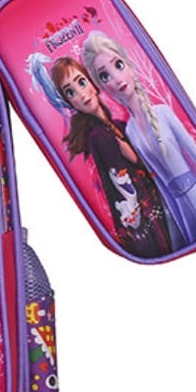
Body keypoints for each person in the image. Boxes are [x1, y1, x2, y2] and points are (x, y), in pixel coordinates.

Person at [82, 32, 196, 249]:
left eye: (119, 65)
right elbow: (161, 186)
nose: (117, 79)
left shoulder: (163, 113)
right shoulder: (130, 131)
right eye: (105, 76)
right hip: (183, 214)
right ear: (102, 88)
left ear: (129, 65)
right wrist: (179, 233)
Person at [48, 55, 173, 258]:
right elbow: (124, 186)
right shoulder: (100, 137)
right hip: (147, 223)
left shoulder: (119, 127)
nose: (81, 94)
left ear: (92, 82)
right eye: (71, 92)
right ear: (70, 102)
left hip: (153, 213)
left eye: (82, 82)